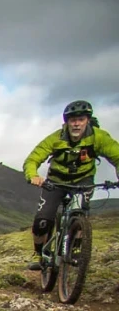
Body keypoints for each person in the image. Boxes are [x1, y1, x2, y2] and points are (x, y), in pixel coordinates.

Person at [23, 100, 119, 260]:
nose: (76, 124)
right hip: (56, 182)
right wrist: (33, 175)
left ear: (87, 120)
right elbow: (32, 159)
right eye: (72, 120)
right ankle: (39, 254)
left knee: (80, 213)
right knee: (42, 222)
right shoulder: (55, 138)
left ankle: (75, 249)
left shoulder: (99, 137)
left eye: (80, 120)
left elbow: (117, 156)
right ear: (66, 122)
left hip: (83, 181)